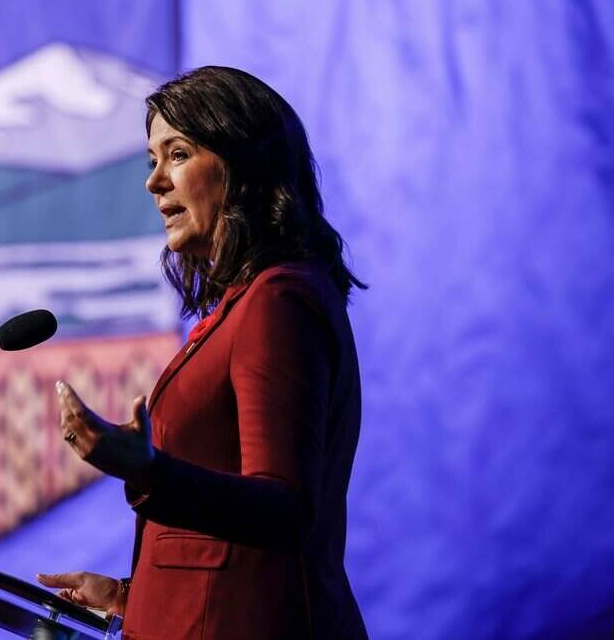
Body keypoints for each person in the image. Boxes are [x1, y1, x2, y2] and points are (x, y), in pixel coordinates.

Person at [37, 66, 369, 639]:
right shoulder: (245, 305)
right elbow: (220, 550)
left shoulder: (277, 302)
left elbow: (285, 507)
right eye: (151, 160)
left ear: (243, 165)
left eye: (179, 154)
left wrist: (147, 471)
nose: (154, 181)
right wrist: (128, 597)